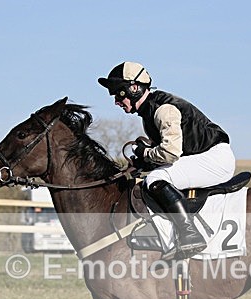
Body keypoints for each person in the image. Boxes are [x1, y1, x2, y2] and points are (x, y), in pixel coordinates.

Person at [98, 61, 236, 258]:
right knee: (154, 175)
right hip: (204, 156)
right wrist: (141, 162)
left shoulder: (163, 109)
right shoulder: (149, 113)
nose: (116, 101)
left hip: (214, 159)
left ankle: (190, 235)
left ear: (134, 88)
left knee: (155, 180)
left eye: (119, 93)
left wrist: (145, 154)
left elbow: (170, 153)